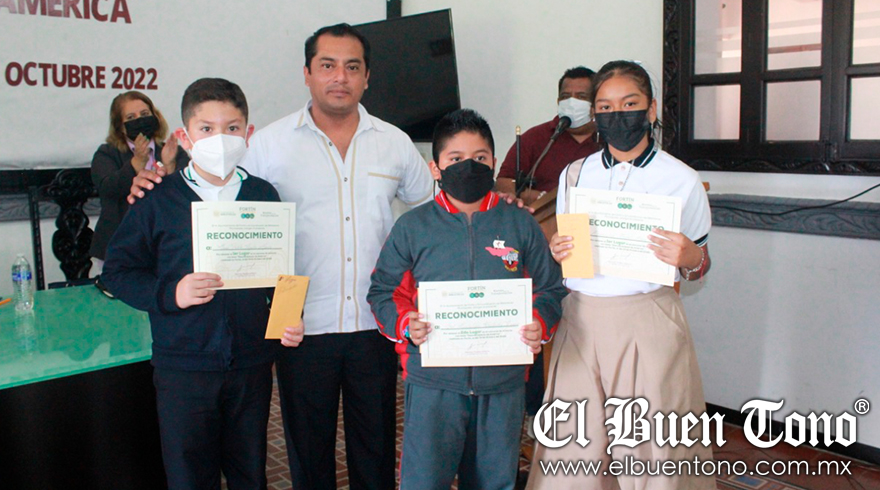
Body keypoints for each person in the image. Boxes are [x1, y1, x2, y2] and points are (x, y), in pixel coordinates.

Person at [102, 78, 305, 490]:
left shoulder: (264, 195)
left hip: (251, 364)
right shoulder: (157, 198)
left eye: (232, 128)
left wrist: (291, 316)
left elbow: (284, 268)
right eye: (207, 129)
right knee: (190, 476)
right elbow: (117, 272)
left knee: (250, 472)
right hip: (183, 367)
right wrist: (171, 293)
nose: (220, 139)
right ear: (184, 136)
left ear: (247, 134)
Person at [526, 60, 714, 490]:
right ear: (596, 114)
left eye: (629, 104)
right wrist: (558, 249)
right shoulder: (576, 173)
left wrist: (690, 256)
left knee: (651, 452)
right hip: (581, 321)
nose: (617, 114)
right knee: (575, 447)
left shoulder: (681, 179)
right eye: (606, 107)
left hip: (647, 322)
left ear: (651, 109)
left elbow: (699, 264)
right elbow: (568, 245)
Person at [368, 109, 568, 490]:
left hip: (503, 384)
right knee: (424, 482)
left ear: (493, 162)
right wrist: (406, 324)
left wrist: (539, 324)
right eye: (456, 158)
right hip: (433, 384)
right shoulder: (413, 227)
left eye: (479, 157)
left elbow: (550, 289)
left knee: (494, 482)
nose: (469, 166)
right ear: (435, 168)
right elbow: (383, 291)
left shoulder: (520, 223)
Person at [90, 91, 188, 277]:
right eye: (130, 118)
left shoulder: (172, 151)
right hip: (119, 245)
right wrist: (136, 163)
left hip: (165, 244)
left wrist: (169, 166)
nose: (140, 120)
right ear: (120, 127)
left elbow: (187, 191)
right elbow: (107, 189)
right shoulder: (107, 153)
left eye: (144, 114)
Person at [495, 66, 601, 205]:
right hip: (541, 215)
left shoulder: (609, 140)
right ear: (558, 102)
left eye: (581, 97)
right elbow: (504, 181)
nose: (571, 103)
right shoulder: (535, 137)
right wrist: (542, 198)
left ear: (596, 103)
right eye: (565, 97)